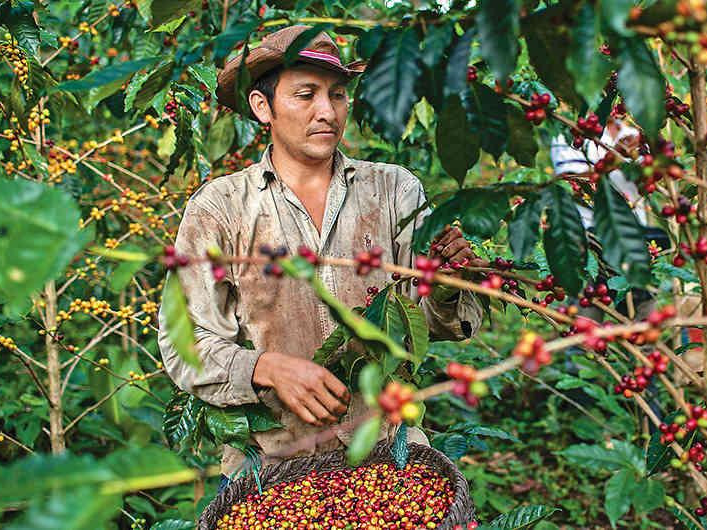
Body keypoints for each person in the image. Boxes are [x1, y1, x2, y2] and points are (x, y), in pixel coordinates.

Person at [157, 25, 485, 484]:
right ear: (261, 106)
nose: (327, 112)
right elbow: (186, 345)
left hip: (392, 458)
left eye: (337, 95)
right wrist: (265, 368)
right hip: (272, 468)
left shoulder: (394, 190)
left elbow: (427, 322)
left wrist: (449, 285)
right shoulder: (220, 208)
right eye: (305, 95)